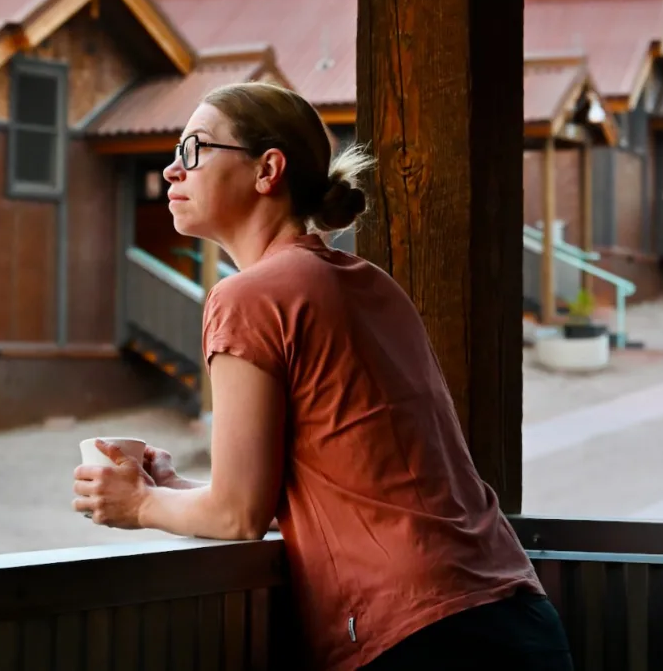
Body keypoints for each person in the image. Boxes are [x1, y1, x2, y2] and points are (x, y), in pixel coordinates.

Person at [72, 82, 574, 671]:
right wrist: (172, 490)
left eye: (194, 149)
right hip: (517, 614)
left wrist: (136, 507)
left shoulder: (245, 298)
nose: (171, 170)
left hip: (418, 634)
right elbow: (341, 476)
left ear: (268, 170)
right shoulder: (368, 282)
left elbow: (237, 515)